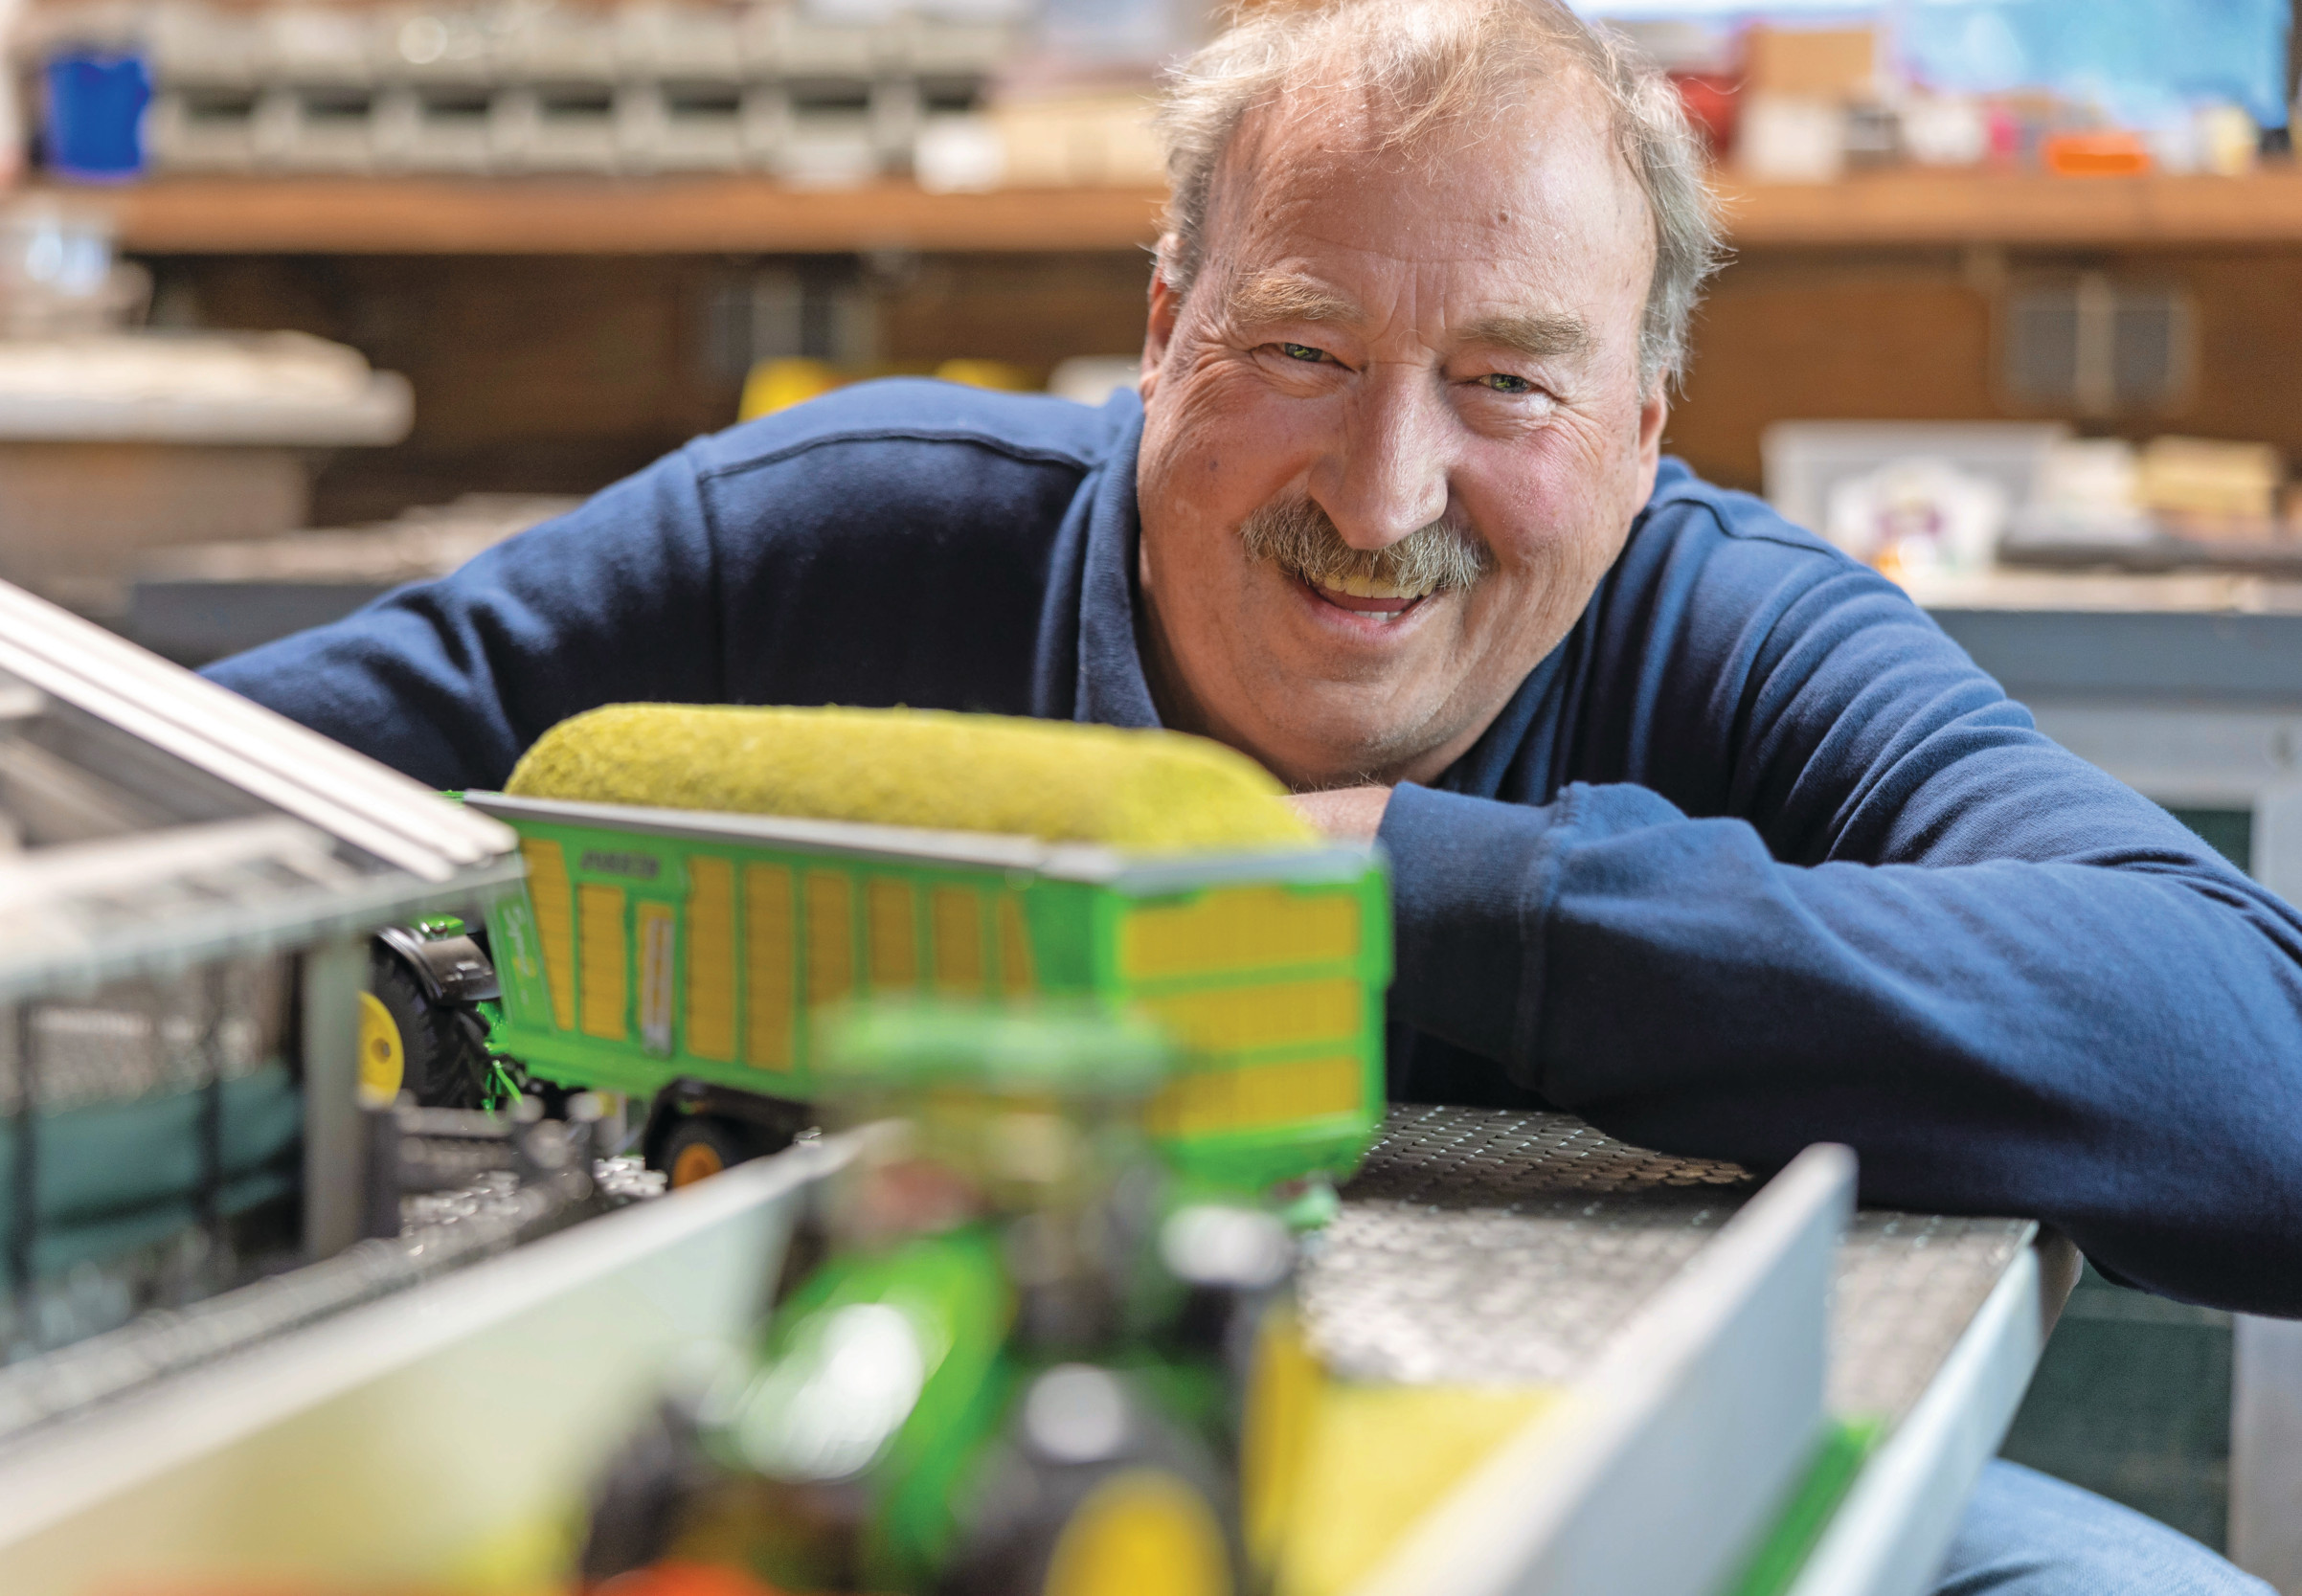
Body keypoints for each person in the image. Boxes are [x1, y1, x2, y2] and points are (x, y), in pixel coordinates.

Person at [203, 0, 2293, 1587]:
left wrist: (1404, 884)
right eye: (1296, 348)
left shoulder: (1734, 636)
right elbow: (181, 795)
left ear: (1643, 430)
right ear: (1159, 335)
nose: (1382, 499)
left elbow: (2255, 1077)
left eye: (1505, 381)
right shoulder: (837, 535)